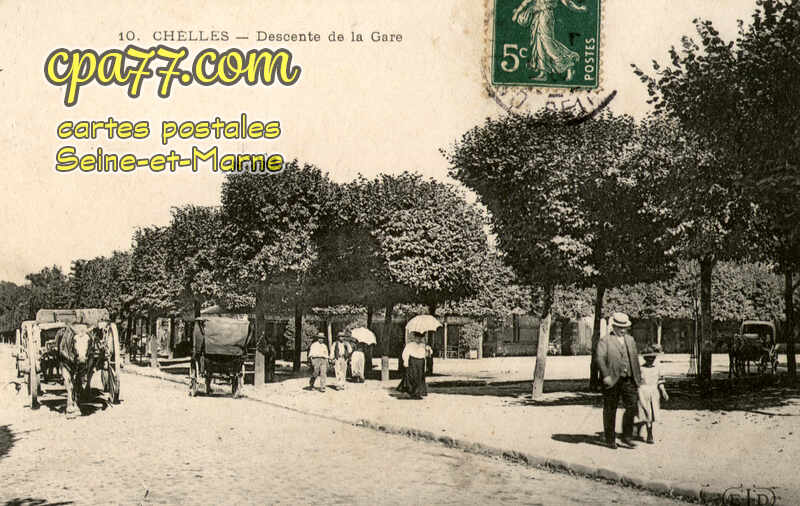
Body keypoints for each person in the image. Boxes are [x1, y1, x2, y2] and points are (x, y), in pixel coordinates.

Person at [596, 312, 642, 449]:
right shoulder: (605, 340)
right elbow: (599, 359)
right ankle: (610, 439)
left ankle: (627, 436)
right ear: (614, 326)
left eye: (625, 327)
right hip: (612, 379)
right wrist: (605, 376)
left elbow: (634, 359)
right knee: (610, 409)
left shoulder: (631, 340)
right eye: (620, 327)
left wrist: (638, 378)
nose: (623, 330)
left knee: (632, 406)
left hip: (629, 379)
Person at [511, 0, 586, 81]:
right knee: (538, 44)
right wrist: (517, 13)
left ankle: (569, 65)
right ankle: (543, 72)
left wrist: (578, 8)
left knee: (548, 44)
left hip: (546, 16)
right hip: (536, 16)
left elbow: (567, 2)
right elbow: (526, 1)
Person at [637, 344, 669, 444]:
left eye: (652, 357)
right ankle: (649, 434)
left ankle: (645, 428)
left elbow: (660, 381)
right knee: (646, 412)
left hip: (654, 392)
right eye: (648, 358)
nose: (650, 359)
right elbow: (638, 382)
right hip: (643, 391)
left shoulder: (657, 368)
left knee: (652, 413)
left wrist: (663, 391)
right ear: (645, 358)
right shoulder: (641, 369)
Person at [401, 333, 428, 399]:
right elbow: (405, 353)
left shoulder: (423, 345)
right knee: (412, 377)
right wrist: (406, 362)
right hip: (412, 362)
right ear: (414, 337)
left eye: (420, 338)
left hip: (421, 362)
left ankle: (418, 393)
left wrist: (427, 350)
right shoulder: (410, 345)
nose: (418, 339)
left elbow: (426, 355)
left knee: (420, 377)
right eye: (417, 337)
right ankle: (412, 392)